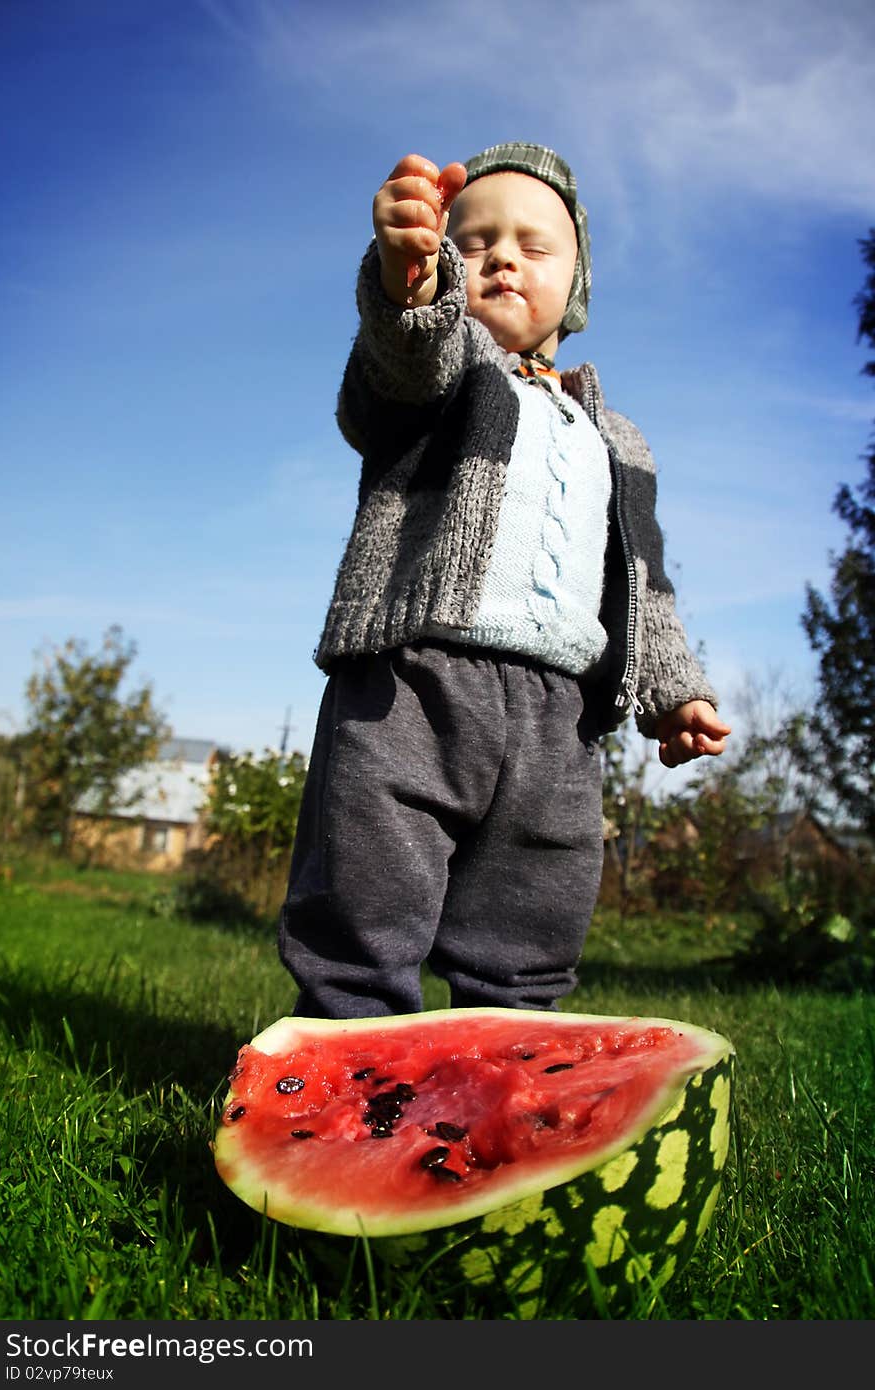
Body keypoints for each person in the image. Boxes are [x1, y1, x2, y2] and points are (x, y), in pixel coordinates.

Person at [278, 142, 731, 1019]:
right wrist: (407, 288)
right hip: (414, 682)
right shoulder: (447, 379)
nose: (502, 256)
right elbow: (397, 365)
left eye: (534, 244)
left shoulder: (620, 438)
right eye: (473, 239)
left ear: (577, 285)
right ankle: (345, 1050)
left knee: (536, 909)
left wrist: (674, 691)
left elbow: (642, 579)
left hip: (562, 712)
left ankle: (514, 1072)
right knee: (370, 888)